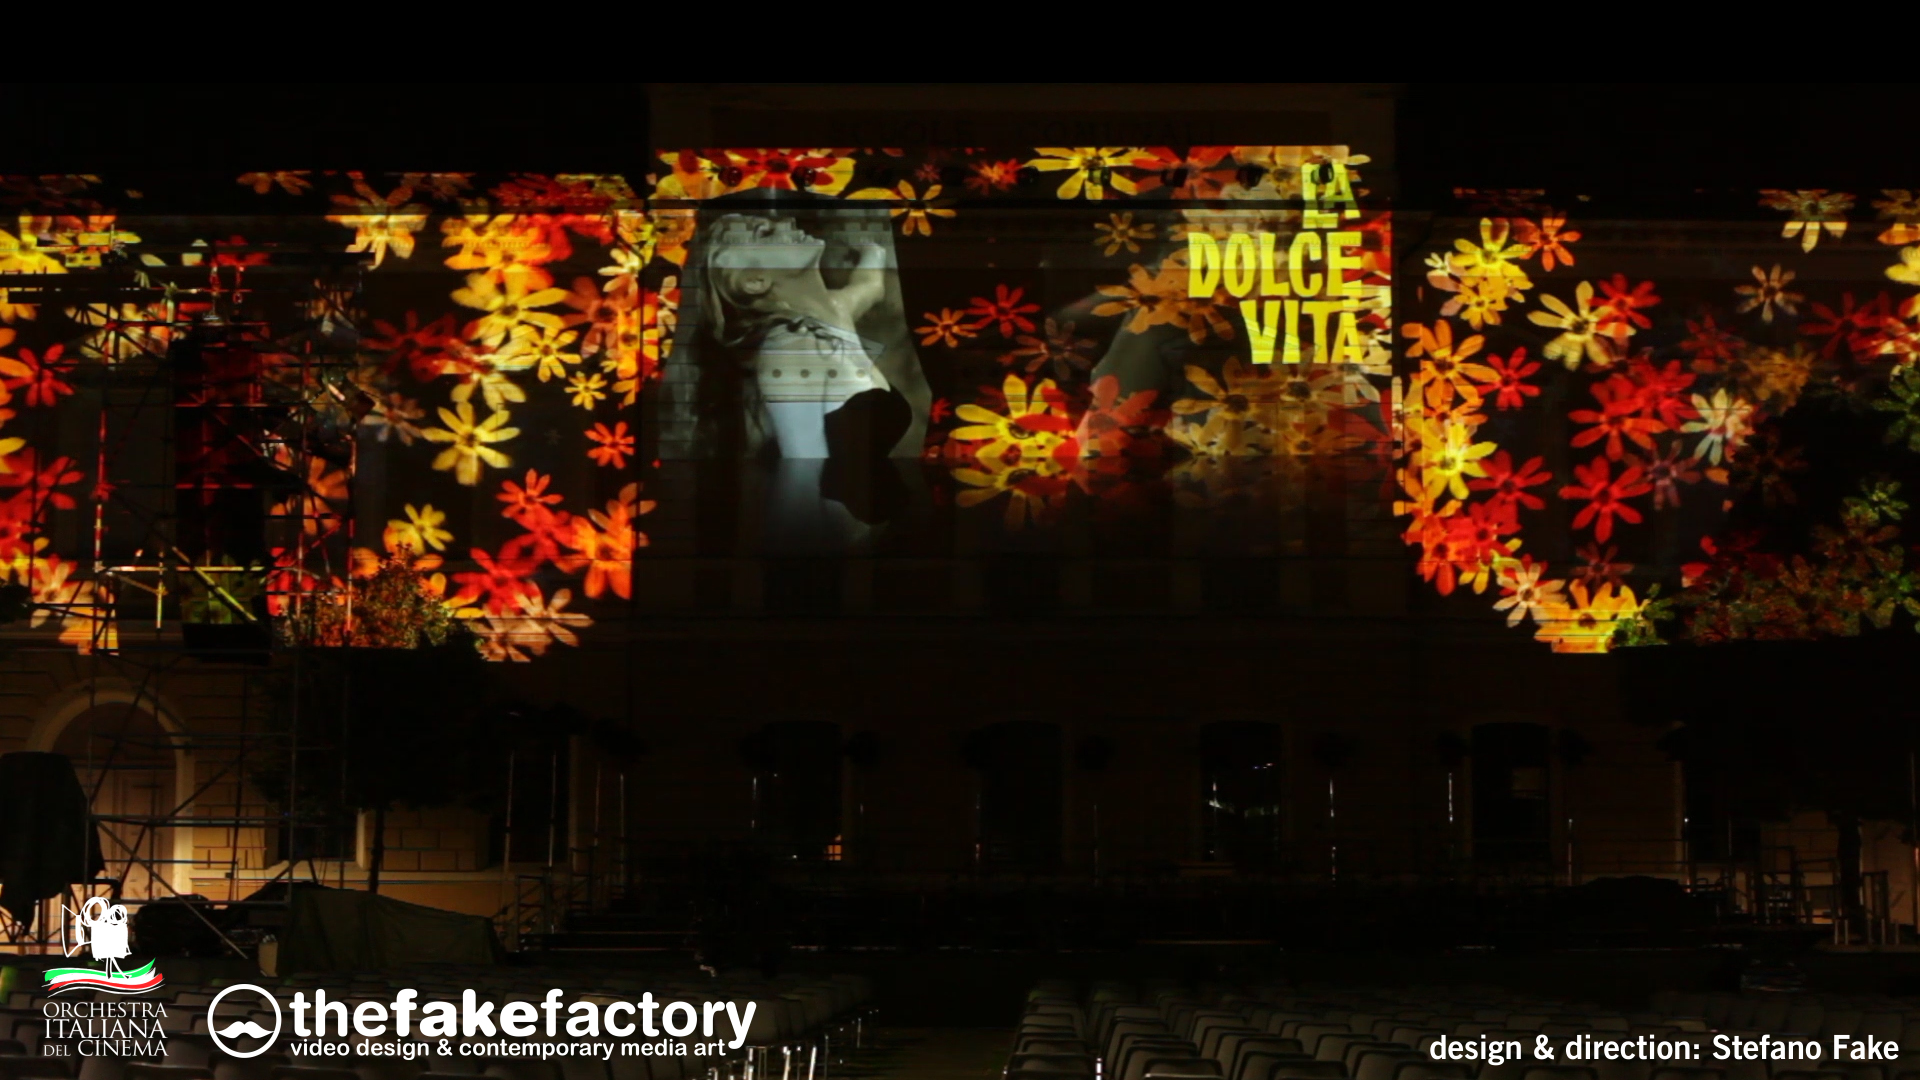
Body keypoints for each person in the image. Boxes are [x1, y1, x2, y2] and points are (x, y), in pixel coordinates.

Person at [704, 214, 899, 459]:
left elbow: (871, 285)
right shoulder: (790, 350)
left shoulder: (836, 310)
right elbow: (802, 469)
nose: (788, 222)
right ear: (756, 281)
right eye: (766, 233)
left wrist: (870, 248)